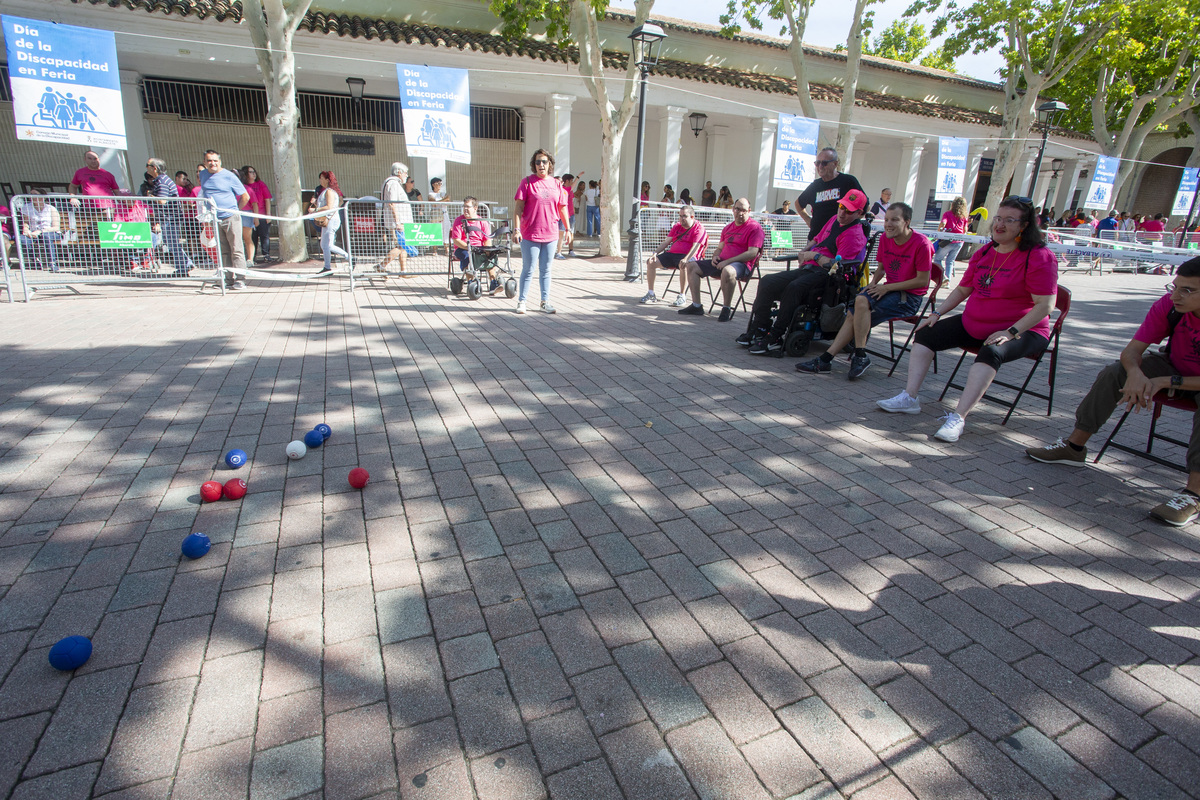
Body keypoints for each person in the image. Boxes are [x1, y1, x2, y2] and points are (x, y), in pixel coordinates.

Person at [1026, 256, 1200, 524]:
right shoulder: (1169, 305)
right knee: (1113, 372)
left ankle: (1193, 494)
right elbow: (1131, 351)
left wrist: (1164, 382)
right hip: (1174, 365)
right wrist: (1134, 374)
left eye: (1187, 290)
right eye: (1175, 286)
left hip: (1185, 380)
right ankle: (1074, 447)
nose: (1176, 295)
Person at [876, 196, 1058, 443]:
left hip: (1025, 329)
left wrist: (1011, 331)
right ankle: (910, 398)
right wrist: (937, 314)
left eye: (1009, 220)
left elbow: (1046, 305)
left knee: (992, 351)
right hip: (976, 323)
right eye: (998, 218)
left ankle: (959, 417)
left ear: (1024, 226)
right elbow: (963, 290)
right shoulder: (985, 252)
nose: (1000, 225)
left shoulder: (1039, 256)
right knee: (926, 333)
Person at [796, 202, 932, 379]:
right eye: (887, 219)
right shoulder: (885, 238)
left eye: (895, 220)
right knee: (859, 303)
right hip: (888, 290)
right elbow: (881, 269)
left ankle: (830, 359)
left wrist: (885, 287)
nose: (888, 224)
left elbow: (922, 281)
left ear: (907, 222)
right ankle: (853, 356)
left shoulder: (922, 243)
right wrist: (873, 284)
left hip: (910, 297)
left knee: (856, 311)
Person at [740, 189, 869, 352]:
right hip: (809, 268)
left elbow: (836, 267)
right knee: (767, 281)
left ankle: (776, 336)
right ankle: (759, 328)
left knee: (794, 287)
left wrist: (813, 256)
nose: (842, 213)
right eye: (841, 207)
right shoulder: (834, 220)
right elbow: (816, 239)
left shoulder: (854, 235)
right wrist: (803, 253)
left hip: (828, 278)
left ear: (859, 213)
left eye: (849, 211)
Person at [678, 197, 764, 322]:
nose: (740, 213)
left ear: (749, 211)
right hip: (721, 262)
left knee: (728, 271)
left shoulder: (755, 228)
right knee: (691, 266)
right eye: (737, 209)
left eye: (744, 210)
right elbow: (719, 248)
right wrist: (715, 257)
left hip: (742, 265)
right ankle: (697, 306)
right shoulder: (728, 228)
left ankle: (726, 308)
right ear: (733, 210)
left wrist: (728, 262)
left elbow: (752, 253)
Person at [513, 149, 569, 314]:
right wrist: (517, 230)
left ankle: (545, 302)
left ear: (550, 164)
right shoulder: (527, 182)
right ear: (534, 164)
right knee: (528, 269)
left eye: (544, 161)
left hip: (551, 234)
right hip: (530, 234)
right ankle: (522, 301)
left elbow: (562, 208)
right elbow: (518, 209)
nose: (541, 165)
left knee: (546, 269)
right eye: (538, 162)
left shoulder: (557, 184)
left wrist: (568, 228)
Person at [197, 149, 250, 289]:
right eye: (209, 161)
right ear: (205, 162)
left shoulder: (229, 176)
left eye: (215, 160)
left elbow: (245, 196)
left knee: (236, 249)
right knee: (223, 250)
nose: (212, 163)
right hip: (214, 218)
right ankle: (227, 279)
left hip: (231, 217)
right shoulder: (203, 175)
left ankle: (240, 279)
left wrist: (235, 210)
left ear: (220, 161)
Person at [640, 205, 708, 306]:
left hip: (689, 256)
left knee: (684, 264)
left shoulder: (699, 228)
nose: (681, 219)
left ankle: (682, 296)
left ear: (692, 217)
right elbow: (666, 242)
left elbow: (696, 247)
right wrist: (655, 253)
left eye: (684, 216)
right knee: (651, 262)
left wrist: (686, 259)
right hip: (672, 254)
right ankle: (651, 293)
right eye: (680, 216)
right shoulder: (677, 226)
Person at [795, 147, 865, 243]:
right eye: (817, 163)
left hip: (838, 240)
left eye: (824, 163)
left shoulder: (848, 181)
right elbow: (798, 203)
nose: (820, 166)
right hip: (815, 239)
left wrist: (850, 223)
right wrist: (808, 220)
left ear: (835, 164)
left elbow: (865, 206)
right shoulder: (815, 186)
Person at [144, 157, 195, 276]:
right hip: (170, 217)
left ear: (154, 168)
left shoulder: (162, 182)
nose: (146, 168)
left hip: (170, 218)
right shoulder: (162, 180)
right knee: (171, 242)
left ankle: (183, 269)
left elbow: (162, 200)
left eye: (148, 165)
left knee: (172, 244)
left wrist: (149, 196)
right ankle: (187, 263)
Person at [450, 196, 502, 294]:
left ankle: (493, 283)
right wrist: (469, 247)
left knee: (491, 256)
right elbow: (456, 240)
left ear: (475, 208)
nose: (465, 209)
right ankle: (471, 282)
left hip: (479, 248)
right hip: (463, 247)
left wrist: (487, 250)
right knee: (467, 255)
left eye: (468, 207)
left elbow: (487, 239)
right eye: (464, 206)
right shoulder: (459, 221)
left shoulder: (482, 221)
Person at [17, 190, 64, 272]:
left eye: (35, 194)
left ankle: (52, 263)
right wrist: (26, 229)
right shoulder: (27, 207)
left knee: (47, 237)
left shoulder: (51, 208)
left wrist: (41, 231)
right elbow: (26, 222)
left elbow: (56, 227)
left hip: (50, 232)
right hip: (33, 232)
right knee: (22, 239)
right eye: (31, 194)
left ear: (43, 197)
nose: (32, 196)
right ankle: (35, 260)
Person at [314, 171, 349, 276]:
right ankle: (327, 267)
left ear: (327, 180)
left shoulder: (329, 191)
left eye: (322, 178)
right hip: (329, 220)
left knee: (328, 245)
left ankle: (349, 257)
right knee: (324, 244)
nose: (320, 180)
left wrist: (316, 210)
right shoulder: (329, 191)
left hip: (331, 220)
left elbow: (329, 207)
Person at [381, 162, 411, 277]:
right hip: (397, 222)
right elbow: (392, 203)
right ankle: (381, 265)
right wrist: (397, 221)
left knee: (403, 246)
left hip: (399, 221)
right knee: (400, 246)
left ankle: (403, 271)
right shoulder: (393, 184)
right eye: (405, 173)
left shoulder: (393, 183)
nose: (406, 176)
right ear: (399, 172)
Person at [240, 166, 273, 262]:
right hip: (250, 216)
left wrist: (268, 214)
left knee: (264, 235)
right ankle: (252, 257)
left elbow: (267, 199)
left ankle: (266, 254)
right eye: (250, 172)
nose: (254, 174)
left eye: (254, 171)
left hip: (261, 214)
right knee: (252, 237)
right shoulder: (244, 187)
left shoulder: (260, 184)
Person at [935, 196, 970, 280]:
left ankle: (943, 277)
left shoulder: (947, 214)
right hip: (959, 242)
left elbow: (943, 223)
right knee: (950, 261)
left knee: (937, 259)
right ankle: (948, 280)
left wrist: (939, 231)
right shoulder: (964, 217)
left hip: (948, 240)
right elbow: (965, 229)